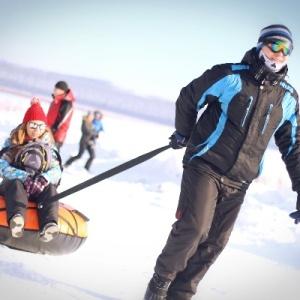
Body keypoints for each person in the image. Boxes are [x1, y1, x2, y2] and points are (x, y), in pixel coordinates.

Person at [144, 24, 300, 300]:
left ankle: (180, 294)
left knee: (216, 241)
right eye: (274, 46)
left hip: (240, 179)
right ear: (261, 45)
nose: (279, 54)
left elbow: (293, 146)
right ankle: (159, 285)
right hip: (205, 164)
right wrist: (185, 131)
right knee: (195, 227)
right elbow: (189, 97)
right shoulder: (230, 76)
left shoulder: (288, 98)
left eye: (286, 50)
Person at [0, 98, 63, 242]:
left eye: (41, 126)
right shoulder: (13, 142)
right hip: (15, 185)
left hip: (38, 187)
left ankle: (49, 225)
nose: (37, 130)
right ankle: (17, 219)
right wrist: (24, 177)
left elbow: (56, 169)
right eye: (33, 125)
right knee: (14, 184)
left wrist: (44, 179)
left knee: (51, 190)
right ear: (26, 124)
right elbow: (2, 164)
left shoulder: (48, 147)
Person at [47, 80, 75, 152]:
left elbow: (63, 119)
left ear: (62, 90)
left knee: (52, 155)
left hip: (57, 134)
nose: (54, 90)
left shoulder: (67, 103)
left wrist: (53, 130)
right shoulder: (56, 100)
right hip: (48, 131)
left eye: (56, 88)